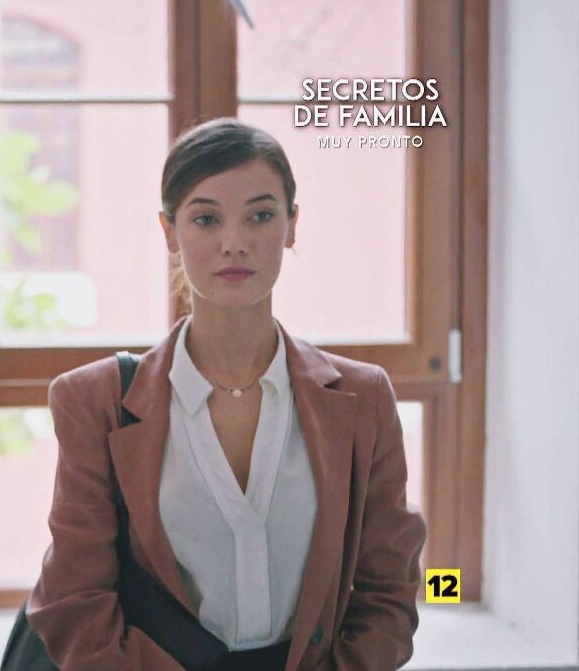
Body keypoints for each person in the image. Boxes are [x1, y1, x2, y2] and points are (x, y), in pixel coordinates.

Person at [25, 118, 427, 670]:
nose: (234, 243)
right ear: (169, 232)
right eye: (206, 218)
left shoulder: (363, 399)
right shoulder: (94, 402)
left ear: (292, 225)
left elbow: (390, 587)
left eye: (260, 216)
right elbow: (74, 600)